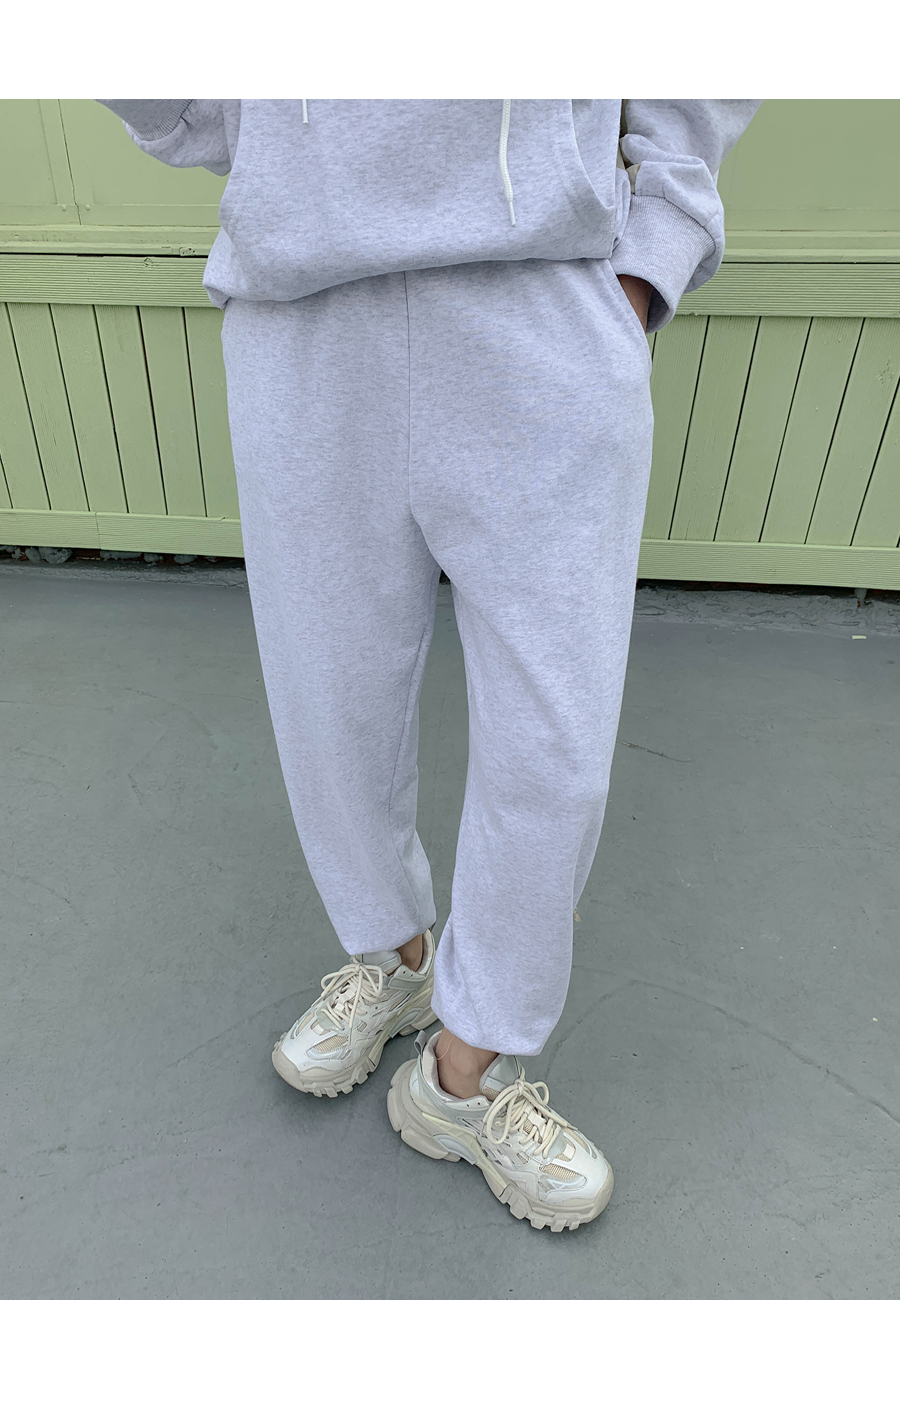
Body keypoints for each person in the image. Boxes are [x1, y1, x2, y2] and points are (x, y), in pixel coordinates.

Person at [98, 97, 762, 1231]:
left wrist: (653, 257)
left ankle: (465, 1073)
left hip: (539, 307)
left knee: (555, 743)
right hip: (306, 318)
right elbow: (189, 107)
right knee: (327, 699)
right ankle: (395, 954)